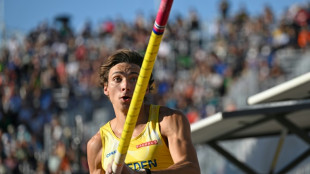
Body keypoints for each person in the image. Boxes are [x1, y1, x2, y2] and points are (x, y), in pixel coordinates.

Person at [87, 49, 200, 174]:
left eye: (134, 79)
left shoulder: (168, 120)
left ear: (145, 87)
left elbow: (191, 169)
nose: (126, 86)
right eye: (117, 79)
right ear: (106, 88)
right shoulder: (98, 144)